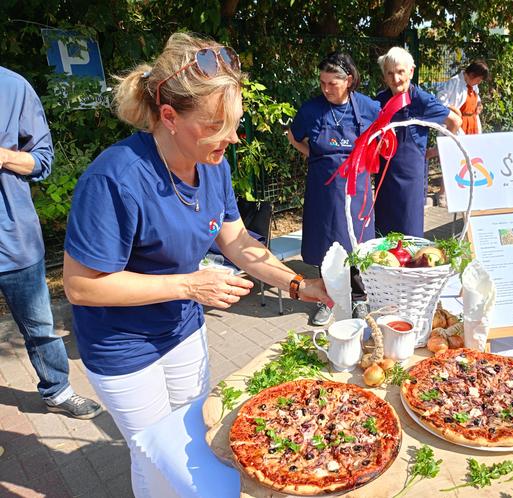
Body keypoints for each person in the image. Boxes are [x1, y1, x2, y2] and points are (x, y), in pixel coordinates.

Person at [62, 33, 331, 497]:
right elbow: (82, 287)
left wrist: (299, 285)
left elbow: (236, 240)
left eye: (236, 123)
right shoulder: (116, 178)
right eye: (218, 125)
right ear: (168, 117)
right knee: (156, 458)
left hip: (182, 330)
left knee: (196, 441)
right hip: (122, 347)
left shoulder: (213, 163)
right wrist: (189, 285)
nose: (233, 137)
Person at [0, 66, 102, 420]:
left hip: (13, 239)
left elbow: (42, 160)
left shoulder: (12, 86)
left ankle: (57, 391)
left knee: (40, 326)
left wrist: (5, 156)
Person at [288, 52, 380, 326]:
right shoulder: (311, 110)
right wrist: (315, 157)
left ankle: (360, 298)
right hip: (323, 189)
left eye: (332, 83)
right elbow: (295, 137)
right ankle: (326, 300)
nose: (326, 89)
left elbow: (383, 138)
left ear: (349, 80)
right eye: (322, 83)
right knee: (325, 244)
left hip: (357, 188)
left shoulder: (368, 107)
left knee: (356, 243)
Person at [374, 47, 461, 237]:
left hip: (410, 180)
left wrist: (436, 150)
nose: (395, 78)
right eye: (390, 73)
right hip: (384, 177)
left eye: (400, 72)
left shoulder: (421, 100)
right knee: (382, 234)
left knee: (409, 235)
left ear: (411, 72)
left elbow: (455, 121)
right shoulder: (380, 100)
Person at [432, 60, 490, 205]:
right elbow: (440, 102)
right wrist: (455, 110)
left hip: (472, 125)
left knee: (471, 160)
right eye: (479, 79)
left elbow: (476, 100)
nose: (479, 82)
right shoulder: (453, 83)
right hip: (457, 125)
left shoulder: (474, 85)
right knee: (451, 158)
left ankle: (466, 192)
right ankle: (442, 193)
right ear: (472, 74)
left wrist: (479, 105)